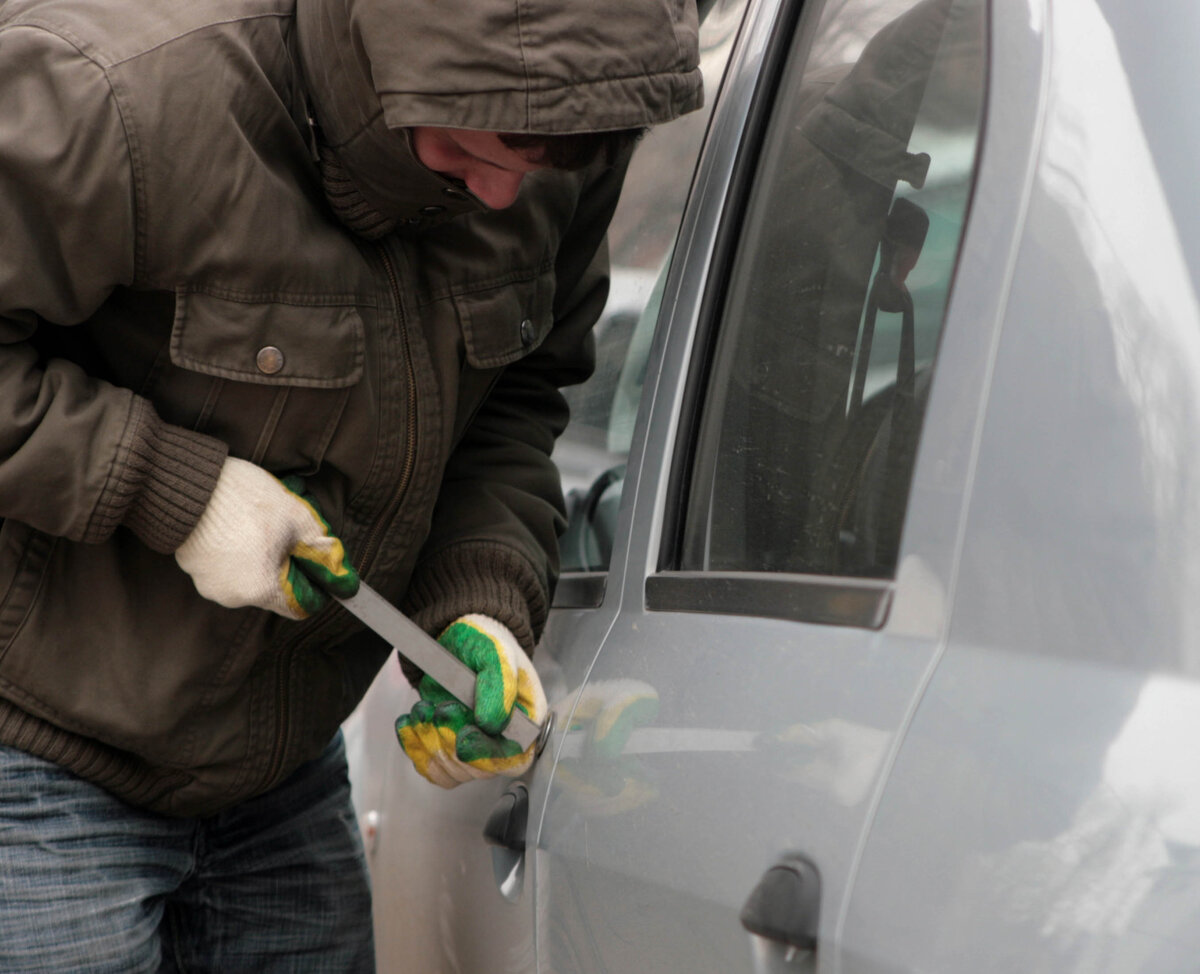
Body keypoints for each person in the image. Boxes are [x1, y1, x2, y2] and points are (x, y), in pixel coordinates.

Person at [0, 0, 702, 967]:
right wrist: (169, 489)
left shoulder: (554, 155)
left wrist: (480, 597)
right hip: (32, 753)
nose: (506, 196)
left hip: (277, 774)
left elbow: (516, 398)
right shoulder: (122, 93)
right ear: (404, 60)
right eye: (487, 142)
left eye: (556, 157)